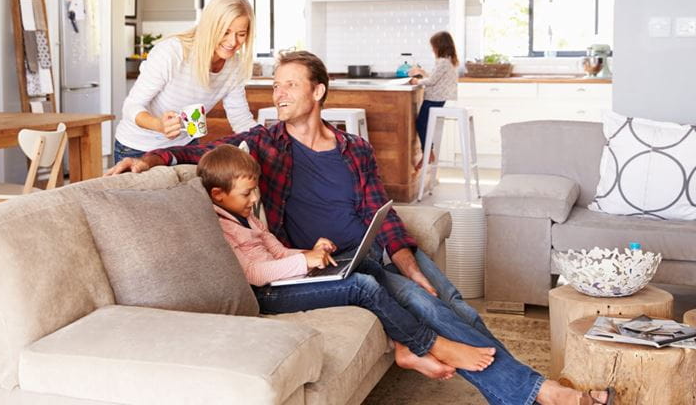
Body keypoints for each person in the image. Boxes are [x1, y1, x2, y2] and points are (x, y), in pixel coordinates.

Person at [106, 51, 613, 405]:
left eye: (288, 84)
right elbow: (205, 152)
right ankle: (543, 393)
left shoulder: (355, 150)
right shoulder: (266, 143)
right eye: (275, 83)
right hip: (324, 261)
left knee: (446, 298)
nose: (277, 92)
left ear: (317, 91)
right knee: (425, 307)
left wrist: (410, 264)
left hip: (365, 249)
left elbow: (382, 214)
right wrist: (150, 156)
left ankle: (529, 392)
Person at [197, 144, 498, 380]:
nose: (254, 199)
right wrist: (305, 264)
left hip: (284, 280)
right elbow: (253, 273)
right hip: (268, 294)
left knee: (365, 264)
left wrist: (307, 253)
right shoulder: (222, 226)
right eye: (247, 193)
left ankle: (403, 346)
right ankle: (426, 345)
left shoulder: (246, 216)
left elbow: (276, 253)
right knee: (362, 287)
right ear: (218, 195)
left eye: (255, 191)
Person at [113, 0, 258, 163]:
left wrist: (268, 139)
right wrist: (159, 125)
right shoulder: (172, 52)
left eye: (241, 34)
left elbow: (240, 118)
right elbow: (131, 106)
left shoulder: (235, 65)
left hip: (185, 147)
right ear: (210, 27)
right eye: (225, 32)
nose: (233, 42)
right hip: (138, 148)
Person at [409, 30, 459, 169]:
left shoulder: (442, 62)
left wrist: (416, 81)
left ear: (439, 46)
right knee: (424, 124)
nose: (432, 49)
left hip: (434, 98)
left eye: (433, 46)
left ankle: (428, 153)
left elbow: (431, 81)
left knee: (421, 124)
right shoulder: (448, 61)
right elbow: (435, 77)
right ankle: (428, 152)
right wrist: (422, 73)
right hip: (439, 98)